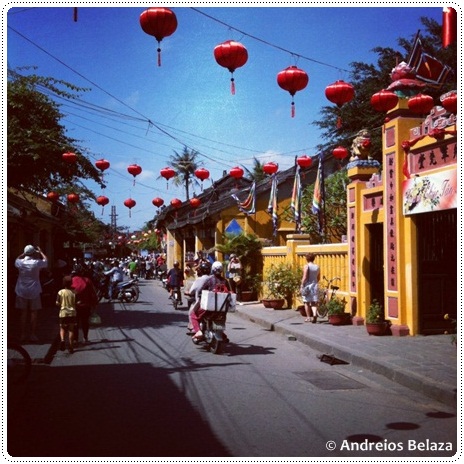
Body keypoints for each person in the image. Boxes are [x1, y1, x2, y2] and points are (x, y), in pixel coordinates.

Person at [15, 245, 48, 342]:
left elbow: (17, 259)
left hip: (21, 290)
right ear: (34, 253)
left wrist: (23, 254)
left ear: (25, 253)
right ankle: (32, 334)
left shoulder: (20, 263)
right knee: (34, 313)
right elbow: (46, 261)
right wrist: (41, 252)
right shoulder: (36, 263)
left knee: (23, 313)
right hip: (34, 290)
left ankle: (23, 334)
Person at [191, 261, 230, 341]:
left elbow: (202, 290)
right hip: (222, 309)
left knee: (193, 315)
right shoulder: (225, 281)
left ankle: (198, 331)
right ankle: (221, 333)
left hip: (209, 308)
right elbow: (229, 293)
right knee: (221, 319)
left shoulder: (209, 280)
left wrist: (199, 296)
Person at [71, 265, 98, 345]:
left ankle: (75, 339)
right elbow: (93, 294)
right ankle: (85, 338)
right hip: (86, 305)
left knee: (75, 323)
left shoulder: (71, 280)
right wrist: (95, 304)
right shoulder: (87, 280)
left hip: (74, 306)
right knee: (85, 322)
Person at [185, 261, 211, 335]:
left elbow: (192, 291)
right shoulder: (212, 278)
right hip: (213, 302)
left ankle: (194, 329)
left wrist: (188, 292)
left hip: (201, 301)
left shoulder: (199, 280)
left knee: (191, 313)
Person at [56, 275, 77, 353]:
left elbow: (57, 303)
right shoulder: (74, 292)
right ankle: (71, 346)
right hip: (72, 313)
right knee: (71, 330)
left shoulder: (60, 292)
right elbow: (77, 302)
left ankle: (62, 340)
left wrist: (61, 305)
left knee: (62, 328)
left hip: (63, 313)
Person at [300, 253, 320, 323]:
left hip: (307, 286)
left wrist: (302, 285)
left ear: (307, 259)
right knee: (314, 302)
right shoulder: (317, 267)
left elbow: (305, 277)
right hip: (315, 285)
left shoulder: (307, 266)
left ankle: (308, 317)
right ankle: (314, 314)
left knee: (306, 302)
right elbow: (318, 277)